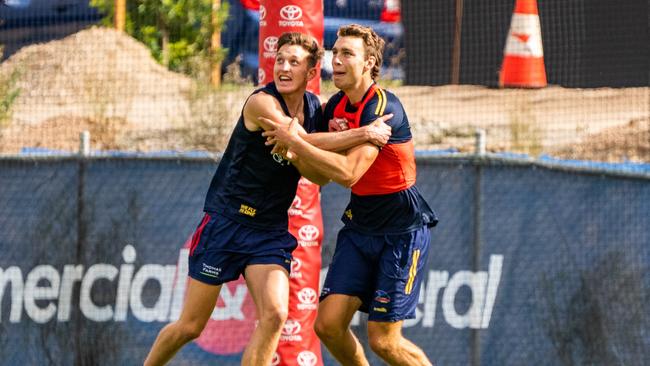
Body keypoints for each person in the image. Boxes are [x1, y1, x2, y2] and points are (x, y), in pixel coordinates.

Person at [143, 31, 391, 366]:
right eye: (280, 60)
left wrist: (298, 152)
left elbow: (317, 176)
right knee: (190, 326)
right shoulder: (261, 102)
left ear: (312, 73)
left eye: (295, 62)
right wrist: (362, 132)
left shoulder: (314, 108)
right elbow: (298, 137)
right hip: (227, 223)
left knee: (275, 314)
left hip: (268, 231)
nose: (284, 68)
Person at [259, 24, 438, 365]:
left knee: (385, 342)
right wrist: (296, 155)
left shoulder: (383, 108)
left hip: (401, 231)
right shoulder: (334, 108)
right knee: (327, 325)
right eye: (334, 53)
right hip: (360, 226)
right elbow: (320, 176)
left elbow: (348, 172)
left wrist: (295, 141)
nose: (335, 61)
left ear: (370, 62)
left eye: (346, 54)